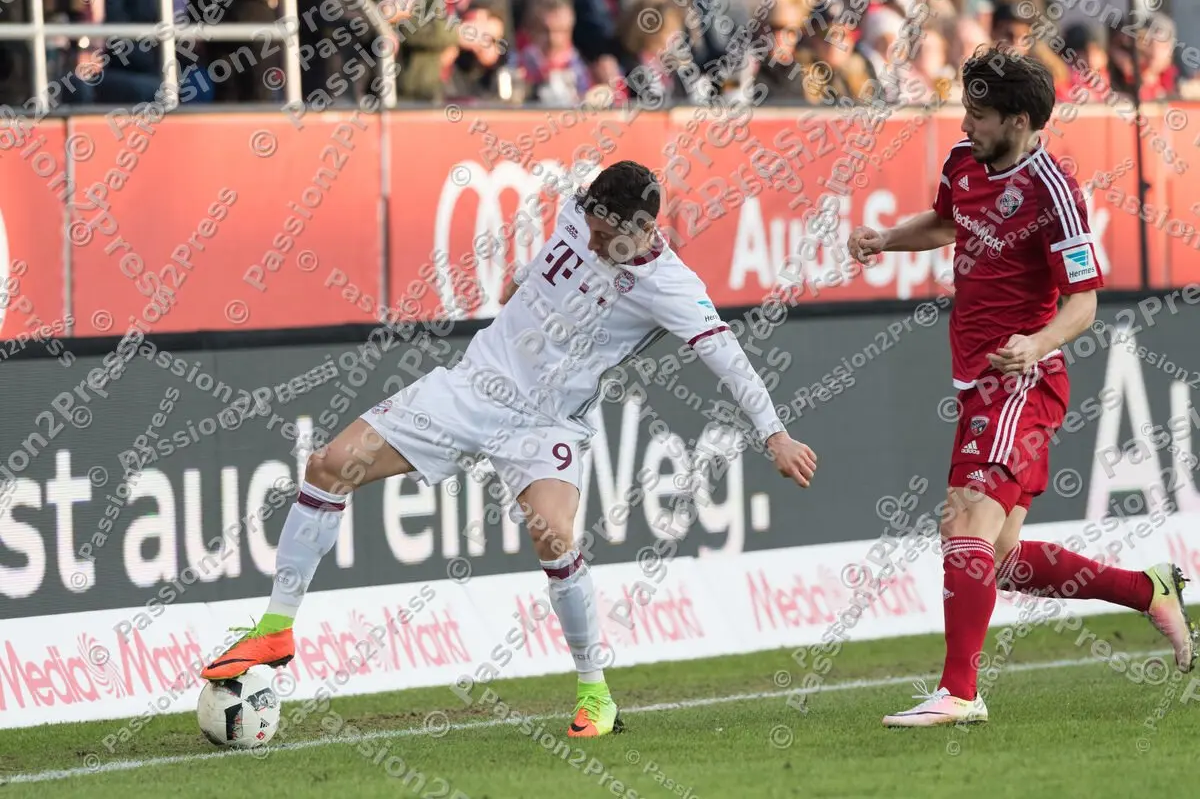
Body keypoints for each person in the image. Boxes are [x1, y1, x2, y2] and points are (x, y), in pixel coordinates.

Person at [201, 160, 820, 738]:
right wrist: (521, 284)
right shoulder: (578, 215)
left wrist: (775, 433)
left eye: (609, 235)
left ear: (641, 229)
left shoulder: (670, 286)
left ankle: (594, 694)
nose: (596, 240)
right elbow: (553, 262)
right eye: (593, 224)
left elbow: (727, 359)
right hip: (474, 386)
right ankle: (277, 628)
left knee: (553, 536)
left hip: (547, 424)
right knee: (328, 465)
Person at [846, 48, 1195, 728]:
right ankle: (1148, 588)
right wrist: (885, 239)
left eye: (978, 114)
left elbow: (1084, 301)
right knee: (997, 558)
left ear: (1020, 119)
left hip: (1023, 379)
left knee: (962, 520)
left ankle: (960, 692)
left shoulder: (1053, 190)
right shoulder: (962, 161)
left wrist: (1034, 344)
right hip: (978, 379)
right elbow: (948, 223)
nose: (966, 123)